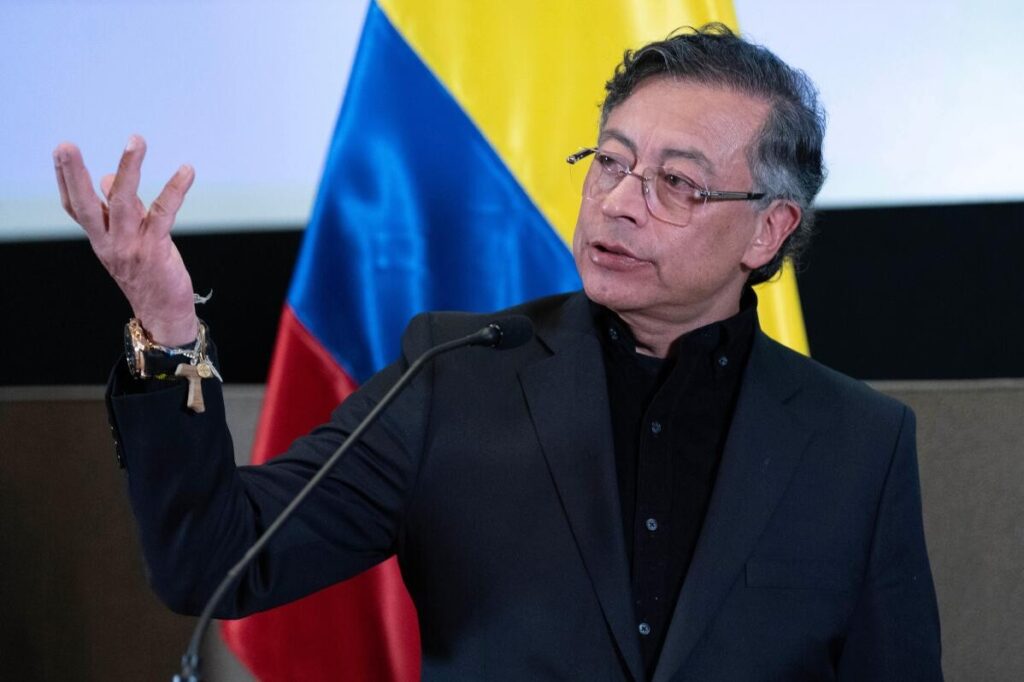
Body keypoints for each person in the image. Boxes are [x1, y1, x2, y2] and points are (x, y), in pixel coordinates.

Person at [54, 24, 942, 682]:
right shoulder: (455, 376)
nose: (618, 202)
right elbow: (214, 559)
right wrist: (168, 331)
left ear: (768, 229)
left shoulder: (858, 442)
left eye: (675, 182)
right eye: (610, 162)